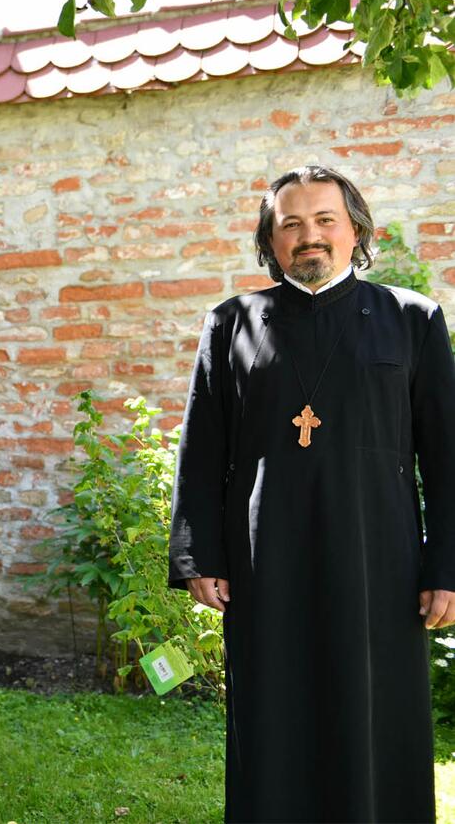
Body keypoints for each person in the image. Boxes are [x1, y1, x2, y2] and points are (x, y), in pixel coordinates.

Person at [169, 164, 455, 822]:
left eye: (326, 219)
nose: (309, 235)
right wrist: (198, 556)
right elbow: (202, 449)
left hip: (379, 564)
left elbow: (446, 456)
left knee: (375, 717)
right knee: (274, 716)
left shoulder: (411, 319)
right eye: (291, 223)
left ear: (355, 229)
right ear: (271, 239)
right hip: (266, 563)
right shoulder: (232, 323)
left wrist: (447, 566)